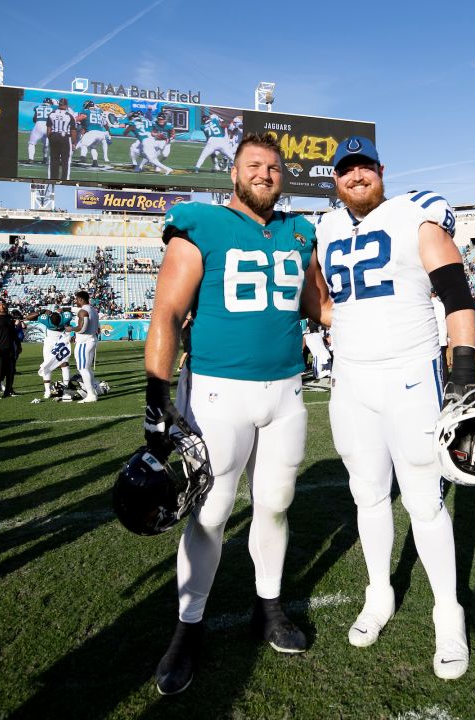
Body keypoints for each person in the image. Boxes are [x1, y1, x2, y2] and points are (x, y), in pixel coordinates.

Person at [142, 133, 327, 696]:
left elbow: (319, 306)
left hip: (286, 392)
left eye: (273, 167)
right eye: (254, 165)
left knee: (275, 503)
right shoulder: (200, 221)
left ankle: (267, 607)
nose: (265, 173)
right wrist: (156, 402)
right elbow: (168, 313)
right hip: (218, 392)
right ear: (234, 175)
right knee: (211, 510)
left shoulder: (301, 232)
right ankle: (187, 627)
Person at [316, 135, 475, 680]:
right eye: (345, 169)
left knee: (424, 502)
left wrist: (463, 373)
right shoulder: (325, 227)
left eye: (364, 166)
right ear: (334, 179)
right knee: (367, 495)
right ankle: (378, 594)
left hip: (411, 376)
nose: (355, 175)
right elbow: (322, 300)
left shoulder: (417, 215)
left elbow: (458, 296)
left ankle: (446, 614)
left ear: (381, 171)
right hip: (352, 379)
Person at [28, 308, 73, 398]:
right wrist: (61, 311)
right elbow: (68, 314)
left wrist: (43, 312)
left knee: (47, 365)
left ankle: (47, 391)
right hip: (61, 342)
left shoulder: (46, 320)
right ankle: (66, 387)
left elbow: (31, 317)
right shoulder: (65, 318)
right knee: (64, 364)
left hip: (49, 344)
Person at [72, 290, 100, 403]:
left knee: (83, 369)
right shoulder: (93, 309)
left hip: (84, 342)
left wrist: (71, 329)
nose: (75, 301)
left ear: (80, 299)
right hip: (91, 340)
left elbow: (82, 329)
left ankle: (91, 394)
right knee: (87, 368)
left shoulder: (84, 310)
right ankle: (93, 390)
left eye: (76, 299)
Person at [46, 98, 77, 181]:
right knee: (65, 161)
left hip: (54, 136)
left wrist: (50, 139)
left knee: (53, 160)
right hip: (64, 138)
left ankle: (53, 179)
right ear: (66, 105)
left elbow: (48, 130)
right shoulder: (69, 116)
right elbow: (73, 131)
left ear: (59, 104)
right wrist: (73, 143)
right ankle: (65, 179)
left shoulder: (51, 114)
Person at [27, 97, 56, 164]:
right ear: (50, 103)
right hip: (48, 126)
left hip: (38, 125)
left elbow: (34, 119)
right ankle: (45, 158)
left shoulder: (37, 107)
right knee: (46, 144)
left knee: (32, 143)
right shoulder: (53, 108)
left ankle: (31, 159)